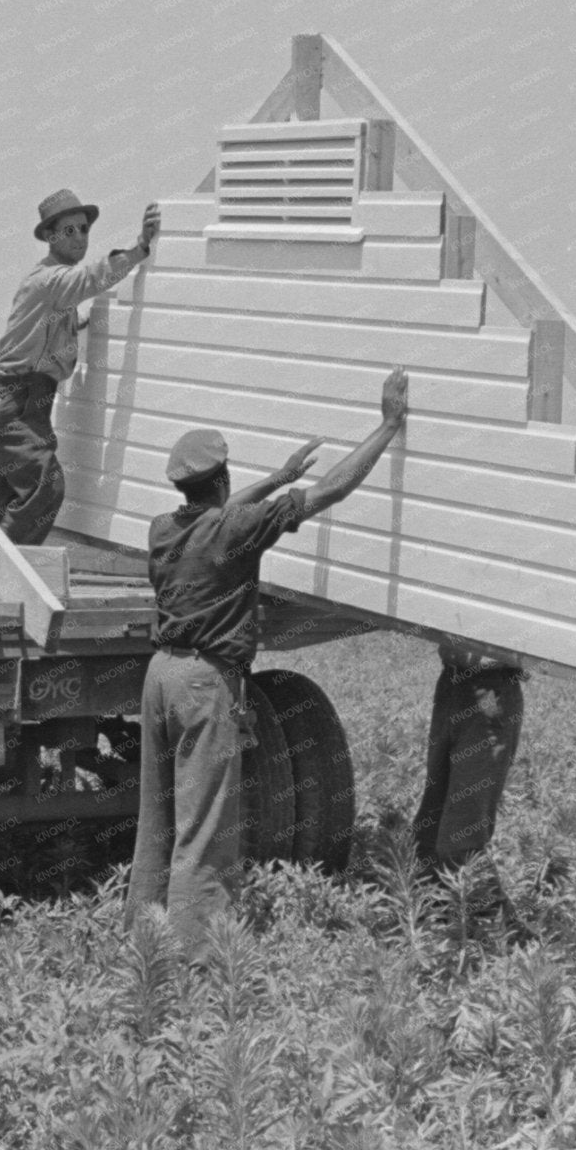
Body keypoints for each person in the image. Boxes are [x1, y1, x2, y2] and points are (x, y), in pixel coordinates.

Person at [130, 368, 409, 954]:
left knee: (157, 822)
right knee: (205, 828)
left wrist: (276, 478)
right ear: (223, 477)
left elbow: (219, 514)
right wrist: (387, 427)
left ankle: (145, 941)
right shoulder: (234, 529)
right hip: (205, 684)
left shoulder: (161, 530)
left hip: (160, 677)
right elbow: (331, 490)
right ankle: (195, 959)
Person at [0, 189, 161, 544]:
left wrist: (79, 326)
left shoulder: (54, 286)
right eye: (69, 231)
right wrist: (140, 247)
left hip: (22, 401)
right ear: (50, 237)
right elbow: (92, 279)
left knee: (5, 501)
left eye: (83, 229)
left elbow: (50, 326)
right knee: (45, 488)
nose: (80, 237)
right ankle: (11, 569)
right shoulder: (51, 280)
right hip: (16, 401)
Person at [412, 640, 524, 872]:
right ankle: (434, 901)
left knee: (461, 842)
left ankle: (487, 907)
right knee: (427, 832)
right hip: (451, 682)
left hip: (490, 690)